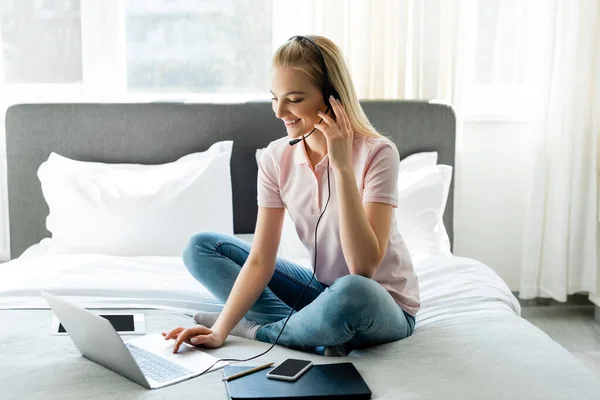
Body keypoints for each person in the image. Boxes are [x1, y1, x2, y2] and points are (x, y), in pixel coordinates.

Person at [163, 35, 419, 356]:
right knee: (200, 246)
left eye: (294, 99)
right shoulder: (275, 157)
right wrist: (220, 329)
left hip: (378, 303)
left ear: (332, 98)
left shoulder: (378, 153)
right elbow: (260, 260)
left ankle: (261, 331)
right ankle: (305, 328)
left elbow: (363, 267)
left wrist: (340, 167)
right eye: (275, 98)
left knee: (353, 291)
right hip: (321, 292)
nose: (279, 111)